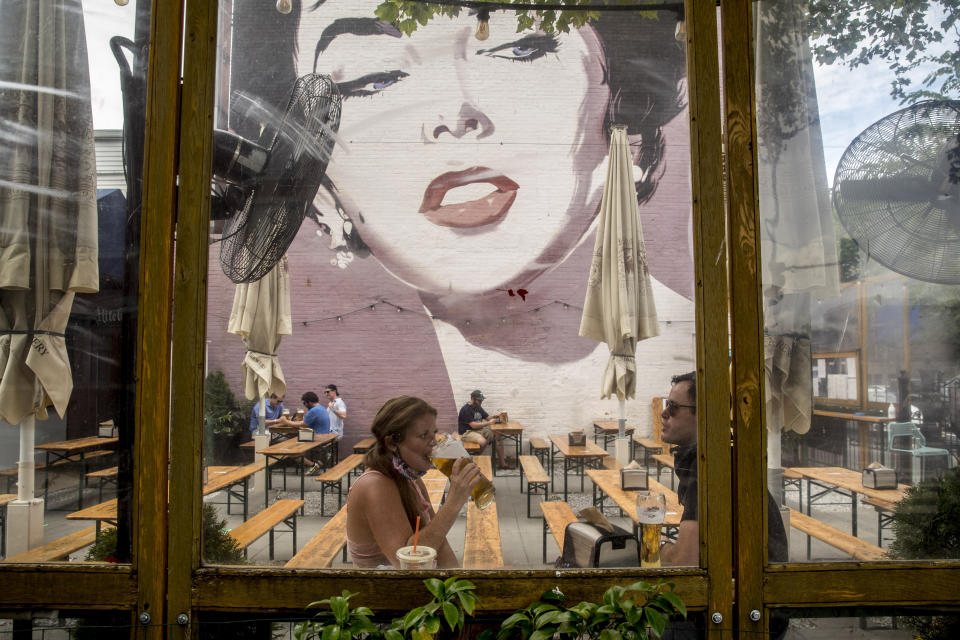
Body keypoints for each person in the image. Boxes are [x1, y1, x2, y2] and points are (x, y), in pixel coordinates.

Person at [220, 1, 695, 441]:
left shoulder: (697, 344)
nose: (456, 115)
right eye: (374, 79)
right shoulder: (399, 376)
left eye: (521, 49)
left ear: (625, 112)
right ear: (322, 189)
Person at [659, 371, 788, 566]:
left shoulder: (712, 466)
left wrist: (660, 544)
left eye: (673, 407)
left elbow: (684, 562)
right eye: (666, 404)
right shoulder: (716, 454)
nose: (664, 413)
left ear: (703, 414)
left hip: (746, 591)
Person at [346, 396, 483, 568]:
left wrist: (458, 588)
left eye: (434, 433)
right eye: (424, 435)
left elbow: (440, 545)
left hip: (417, 588)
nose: (433, 442)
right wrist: (454, 501)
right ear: (391, 443)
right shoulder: (375, 486)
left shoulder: (411, 478)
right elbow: (409, 565)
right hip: (385, 591)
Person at [278, 391, 331, 474]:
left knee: (290, 450)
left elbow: (303, 424)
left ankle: (312, 465)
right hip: (324, 437)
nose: (304, 405)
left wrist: (285, 422)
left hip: (317, 439)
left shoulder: (313, 410)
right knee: (295, 442)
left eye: (304, 403)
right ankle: (314, 462)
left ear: (309, 402)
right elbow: (306, 422)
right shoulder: (321, 408)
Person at [457, 390, 509, 469]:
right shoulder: (466, 409)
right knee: (483, 441)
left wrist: (497, 416)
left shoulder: (478, 407)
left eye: (482, 400)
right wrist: (489, 423)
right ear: (473, 399)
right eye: (480, 400)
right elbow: (473, 425)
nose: (481, 402)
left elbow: (488, 418)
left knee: (498, 436)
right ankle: (473, 460)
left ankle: (502, 464)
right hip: (467, 432)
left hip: (479, 430)